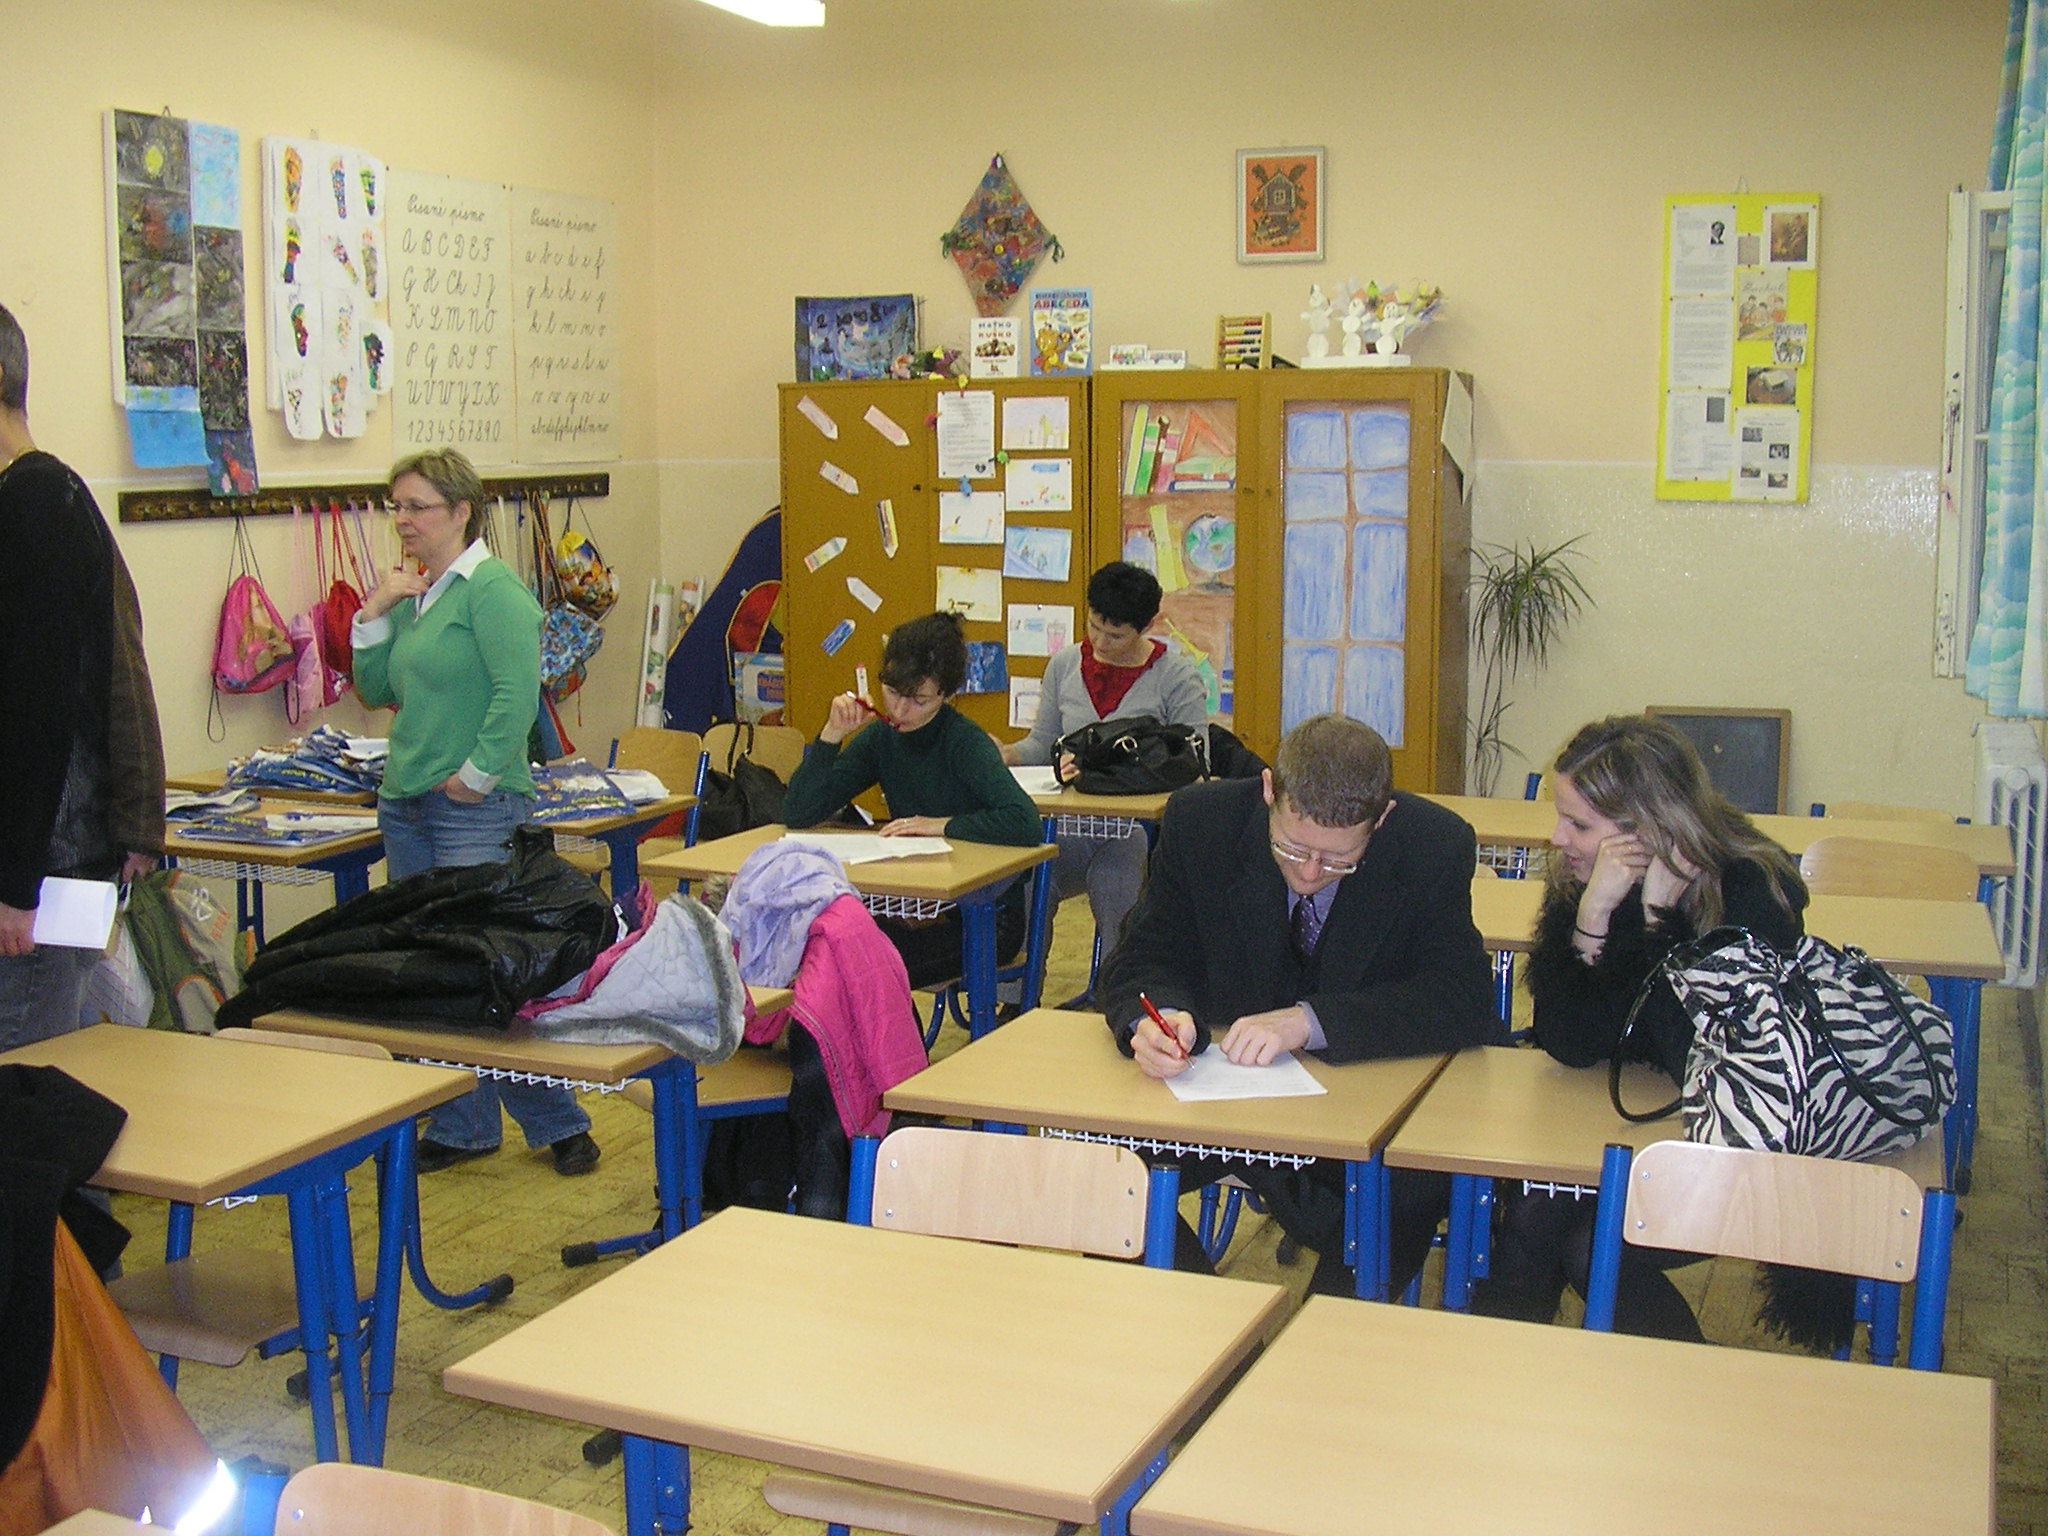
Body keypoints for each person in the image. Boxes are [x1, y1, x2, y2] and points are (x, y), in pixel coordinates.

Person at [1098, 713, 1499, 1294]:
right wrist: (1157, 1018)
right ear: (1269, 789)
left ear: (1382, 818)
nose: (1310, 873)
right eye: (1292, 846)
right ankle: (1209, 1334)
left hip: (1359, 1112)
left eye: (1339, 859)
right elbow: (1144, 956)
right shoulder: (1201, 821)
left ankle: (1324, 1343)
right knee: (1097, 1170)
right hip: (1218, 1103)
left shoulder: (1433, 844)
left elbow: (1460, 997)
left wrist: (1310, 1022)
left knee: (1409, 1187)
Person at [1471, 714, 1810, 1340]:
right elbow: (1569, 1044)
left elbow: (1703, 1061)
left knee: (1588, 1247)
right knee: (1530, 1214)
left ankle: (1686, 1388)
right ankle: (1500, 1382)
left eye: (1578, 824)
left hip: (1732, 1143)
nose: (1557, 838)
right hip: (1618, 1128)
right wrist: (1594, 916)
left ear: (1648, 829)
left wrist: (1657, 925)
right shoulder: (1590, 880)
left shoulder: (1752, 891)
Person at [351, 450, 599, 1177]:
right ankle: (463, 1125)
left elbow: (517, 695)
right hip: (408, 804)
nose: (403, 521)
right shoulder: (420, 594)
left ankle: (558, 1122)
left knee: (491, 967)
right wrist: (374, 613)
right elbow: (376, 688)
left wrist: (477, 775)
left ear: (461, 511)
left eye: (417, 507)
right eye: (396, 507)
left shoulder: (492, 591)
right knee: (435, 969)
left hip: (472, 809)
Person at [0, 302, 165, 1051]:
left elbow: (37, 713)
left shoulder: (39, 506)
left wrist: (15, 886)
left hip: (42, 875)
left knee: (28, 1081)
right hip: (38, 867)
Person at [783, 611, 1042, 989]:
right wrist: (831, 736)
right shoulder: (882, 738)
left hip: (982, 920)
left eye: (919, 700)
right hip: (911, 908)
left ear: (948, 695)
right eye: (893, 693)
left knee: (856, 971)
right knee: (820, 954)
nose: (901, 711)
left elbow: (1025, 822)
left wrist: (942, 825)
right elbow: (799, 812)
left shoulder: (964, 742)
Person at [1000, 560, 1207, 961]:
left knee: (1118, 877)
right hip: (1071, 824)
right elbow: (1043, 743)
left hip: (1138, 830)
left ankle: (1119, 986)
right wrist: (1008, 754)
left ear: (1147, 626)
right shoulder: (1065, 665)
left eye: (1115, 635)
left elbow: (1195, 762)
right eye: (1094, 626)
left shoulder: (1176, 677)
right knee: (1025, 878)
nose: (1100, 641)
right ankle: (1020, 990)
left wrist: (1123, 771)